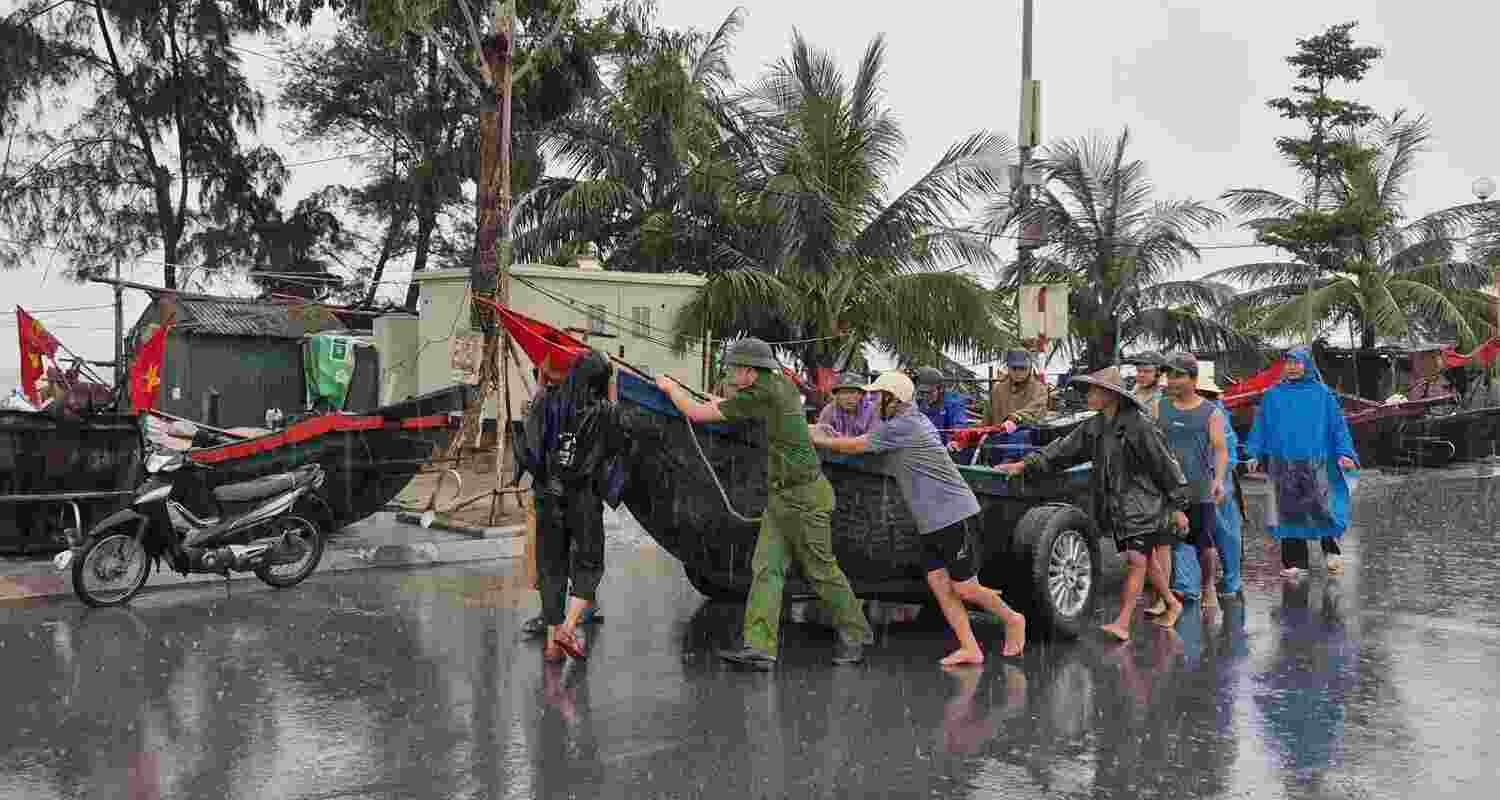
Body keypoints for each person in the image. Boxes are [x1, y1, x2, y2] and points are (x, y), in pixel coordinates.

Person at [657, 338, 874, 670]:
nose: (729, 373)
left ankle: (856, 633)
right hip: (781, 497)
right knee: (766, 569)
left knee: (822, 570)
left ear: (748, 371)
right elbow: (732, 405)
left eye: (732, 368)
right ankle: (759, 648)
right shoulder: (778, 387)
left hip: (805, 497)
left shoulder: (764, 394)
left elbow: (697, 414)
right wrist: (704, 396)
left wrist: (670, 388)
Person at [810, 371, 1027, 665]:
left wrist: (817, 437)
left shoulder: (904, 425)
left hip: (953, 515)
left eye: (877, 397)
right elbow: (864, 444)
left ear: (893, 400)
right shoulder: (908, 422)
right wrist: (832, 435)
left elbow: (855, 446)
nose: (872, 403)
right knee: (940, 584)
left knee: (965, 588)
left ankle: (1013, 619)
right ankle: (970, 648)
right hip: (931, 523)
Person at [996, 366, 1190, 641]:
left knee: (1136, 561)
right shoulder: (1096, 425)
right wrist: (1024, 464)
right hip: (1119, 507)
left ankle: (1122, 623)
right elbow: (1063, 451)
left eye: (1094, 390)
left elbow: (1164, 465)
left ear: (1110, 395)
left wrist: (1179, 505)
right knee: (1145, 562)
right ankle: (1172, 603)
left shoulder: (1139, 425)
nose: (1088, 395)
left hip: (1144, 504)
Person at [519, 350, 625, 661]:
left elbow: (531, 441)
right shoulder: (606, 412)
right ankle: (567, 627)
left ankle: (553, 646)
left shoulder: (546, 401)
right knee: (589, 564)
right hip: (585, 500)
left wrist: (542, 381)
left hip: (549, 498)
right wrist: (613, 383)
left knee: (551, 568)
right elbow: (616, 446)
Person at [1246, 347, 1358, 578]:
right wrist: (1254, 452)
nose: (1292, 367)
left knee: (1320, 507)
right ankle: (1295, 562)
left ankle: (1330, 549)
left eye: (1297, 363)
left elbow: (1338, 426)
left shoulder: (1323, 394)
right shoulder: (1272, 395)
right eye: (1288, 362)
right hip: (1283, 462)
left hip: (1318, 461)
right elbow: (1261, 426)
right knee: (1288, 511)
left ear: (1307, 365)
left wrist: (1345, 453)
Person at [1153, 352, 1226, 611]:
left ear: (1194, 379)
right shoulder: (1159, 406)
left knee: (1203, 543)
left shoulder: (1211, 412)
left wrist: (1218, 480)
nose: (1172, 381)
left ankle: (1208, 587)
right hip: (1165, 489)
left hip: (1198, 488)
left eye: (1179, 375)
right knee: (1162, 543)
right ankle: (1165, 596)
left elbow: (1220, 449)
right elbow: (1152, 444)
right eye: (1169, 375)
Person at [1195, 362, 1246, 599]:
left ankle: (1231, 579)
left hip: (1216, 479)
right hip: (1206, 477)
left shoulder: (1215, 413)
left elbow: (1224, 452)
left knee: (1223, 529)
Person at [984, 350, 1049, 431]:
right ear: (1008, 368)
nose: (1018, 373)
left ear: (1030, 369)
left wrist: (1017, 417)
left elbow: (1035, 410)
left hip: (1027, 438)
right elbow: (987, 418)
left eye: (1023, 369)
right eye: (1014, 368)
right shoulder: (997, 389)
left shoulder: (1039, 389)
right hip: (998, 437)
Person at [913, 366, 968, 446]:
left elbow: (959, 425)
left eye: (929, 392)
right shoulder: (918, 401)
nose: (925, 396)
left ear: (941, 389)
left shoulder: (953, 402)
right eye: (922, 392)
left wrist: (954, 440)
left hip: (942, 448)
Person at [815, 372, 879, 437]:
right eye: (843, 393)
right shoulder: (829, 410)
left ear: (861, 394)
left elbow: (873, 437)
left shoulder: (871, 409)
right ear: (837, 395)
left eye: (852, 392)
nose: (848, 397)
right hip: (835, 445)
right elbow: (820, 434)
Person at [1131, 352, 1167, 419]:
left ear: (1159, 373)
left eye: (1147, 371)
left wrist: (1161, 388)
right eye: (1139, 371)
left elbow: (1157, 420)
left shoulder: (1166, 395)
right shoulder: (1134, 391)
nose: (1141, 375)